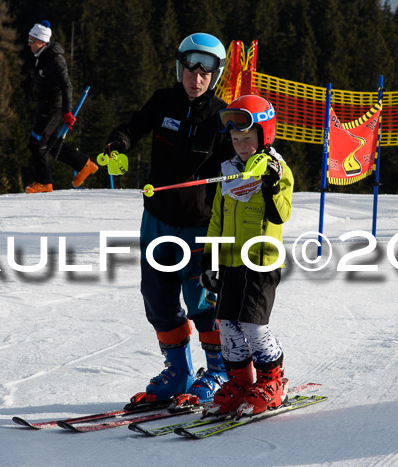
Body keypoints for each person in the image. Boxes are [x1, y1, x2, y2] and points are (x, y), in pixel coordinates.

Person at [104, 33, 234, 407]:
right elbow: (133, 126)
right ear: (180, 68)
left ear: (216, 74)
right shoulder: (163, 101)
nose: (197, 78)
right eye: (191, 68)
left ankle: (217, 371)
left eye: (206, 71)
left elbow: (244, 158)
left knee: (202, 303)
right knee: (158, 298)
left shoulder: (222, 116)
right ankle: (178, 372)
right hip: (158, 219)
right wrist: (118, 145)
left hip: (198, 227)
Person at [200, 94, 294, 418]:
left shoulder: (278, 170)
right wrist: (210, 257)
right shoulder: (228, 172)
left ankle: (272, 380)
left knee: (253, 325)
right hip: (229, 260)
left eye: (248, 138)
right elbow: (217, 218)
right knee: (226, 323)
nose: (241, 145)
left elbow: (281, 215)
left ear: (264, 135)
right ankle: (240, 382)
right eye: (236, 138)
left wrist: (271, 186)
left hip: (262, 261)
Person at [25, 20, 98, 193]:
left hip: (54, 107)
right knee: (49, 143)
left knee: (37, 141)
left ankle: (44, 183)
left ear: (42, 41)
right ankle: (84, 164)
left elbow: (67, 85)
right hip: (46, 106)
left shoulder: (54, 59)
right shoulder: (41, 56)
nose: (29, 44)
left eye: (31, 40)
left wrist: (67, 111)